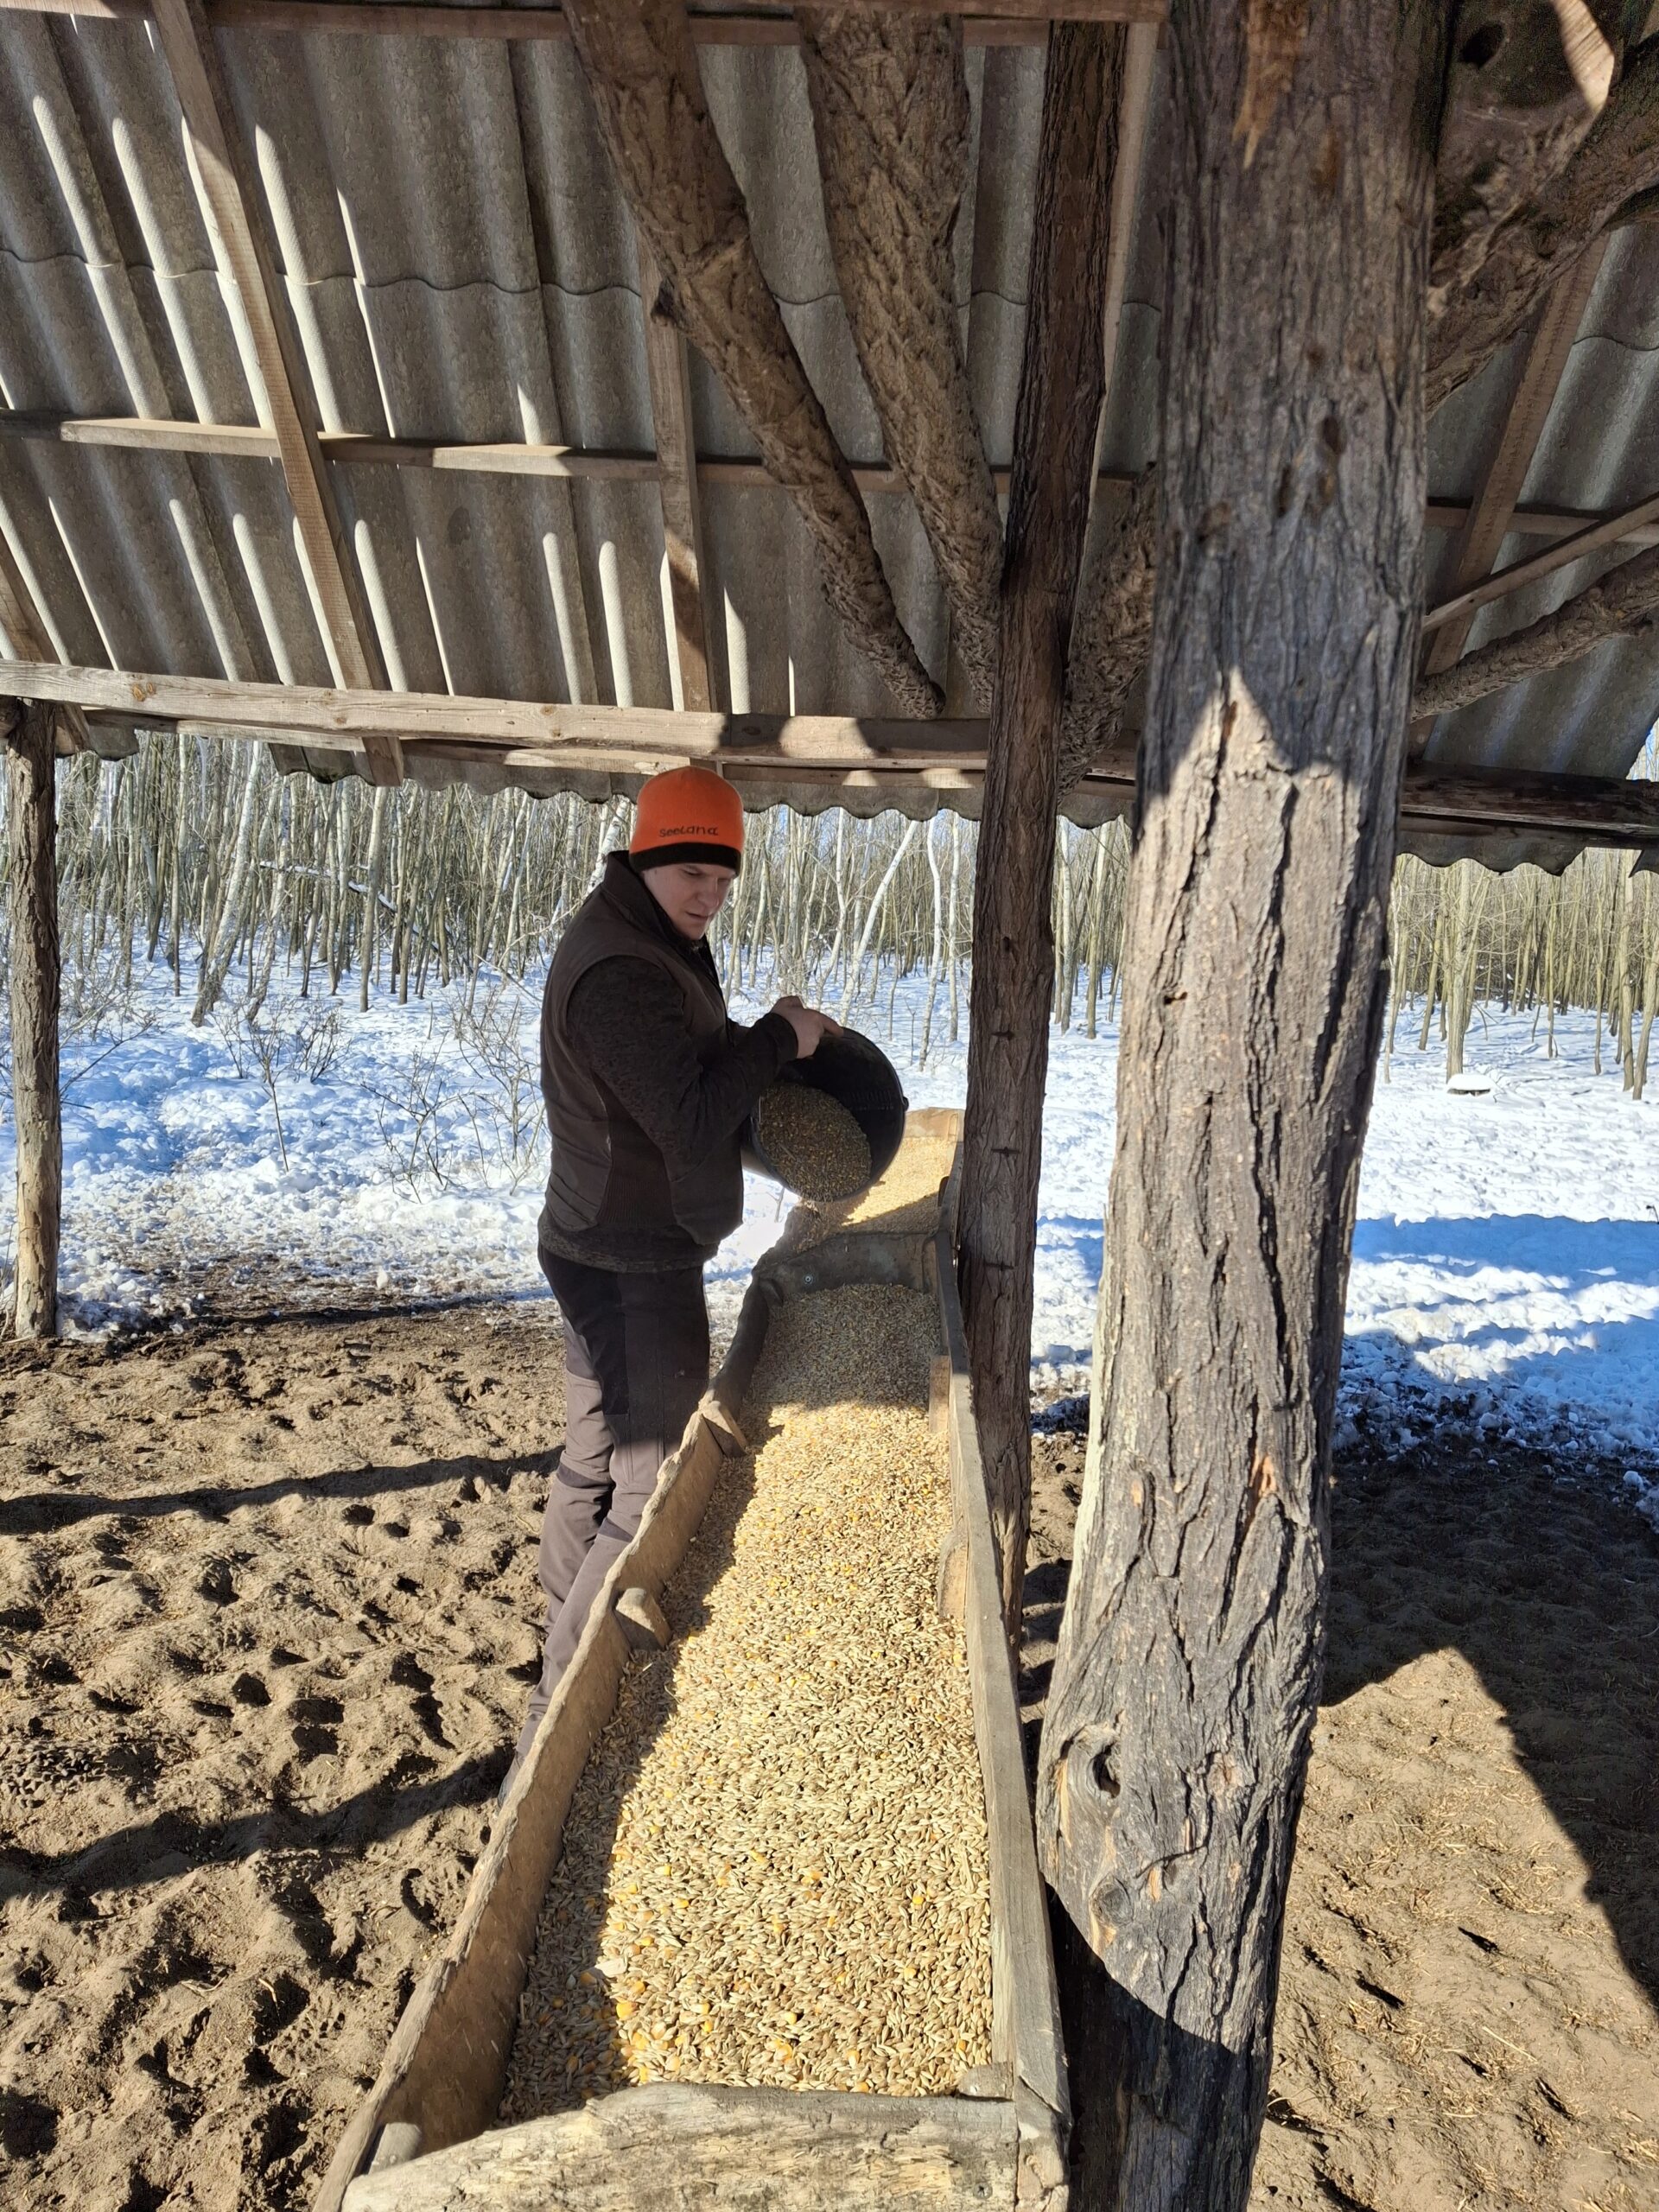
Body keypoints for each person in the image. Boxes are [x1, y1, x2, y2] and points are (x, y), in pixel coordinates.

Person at [509, 766, 836, 1777]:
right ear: (646, 859)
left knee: (594, 1456)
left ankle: (559, 1643)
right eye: (691, 872)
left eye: (723, 877)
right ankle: (560, 1719)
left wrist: (764, 1063)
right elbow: (690, 1120)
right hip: (629, 1260)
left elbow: (683, 1077)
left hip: (603, 1240)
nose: (709, 894)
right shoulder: (619, 972)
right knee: (645, 1490)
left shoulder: (655, 941)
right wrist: (780, 1037)